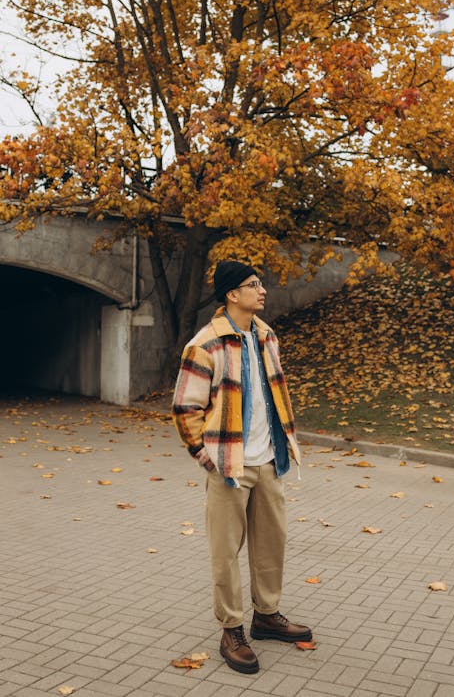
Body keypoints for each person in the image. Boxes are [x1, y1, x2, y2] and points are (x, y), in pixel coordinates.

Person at [172, 260, 313, 674]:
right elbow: (185, 407)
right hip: (229, 465)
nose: (263, 290)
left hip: (268, 460)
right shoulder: (206, 344)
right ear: (232, 294)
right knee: (225, 553)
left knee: (272, 544)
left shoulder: (267, 335)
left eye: (261, 283)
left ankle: (266, 615)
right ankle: (231, 628)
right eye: (254, 284)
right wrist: (207, 457)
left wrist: (280, 447)